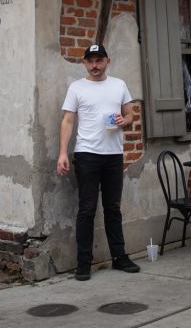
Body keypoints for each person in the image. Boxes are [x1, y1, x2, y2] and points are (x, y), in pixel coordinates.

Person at [57, 43, 140, 281]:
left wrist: (125, 120)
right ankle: (83, 263)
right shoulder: (77, 88)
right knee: (87, 209)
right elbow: (67, 121)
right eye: (90, 61)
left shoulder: (119, 85)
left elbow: (131, 114)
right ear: (85, 63)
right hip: (86, 155)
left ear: (107, 61)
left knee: (113, 208)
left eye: (99, 60)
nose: (95, 65)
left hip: (113, 155)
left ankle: (119, 257)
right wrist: (63, 152)